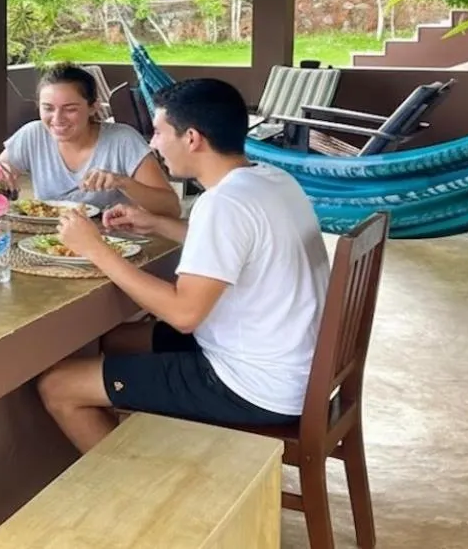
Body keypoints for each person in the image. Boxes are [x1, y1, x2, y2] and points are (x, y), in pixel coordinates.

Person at [35, 77, 331, 454]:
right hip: (288, 362)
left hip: (254, 384)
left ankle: (139, 500)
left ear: (191, 138)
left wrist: (95, 249)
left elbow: (184, 314)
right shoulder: (271, 180)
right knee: (114, 341)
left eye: (159, 133)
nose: (154, 144)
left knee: (58, 387)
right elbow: (243, 247)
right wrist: (158, 224)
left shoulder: (222, 204)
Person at [0, 63, 180, 216]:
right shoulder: (32, 135)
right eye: (48, 108)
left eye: (70, 109)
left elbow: (171, 208)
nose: (57, 118)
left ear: (93, 107)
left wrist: (122, 182)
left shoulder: (123, 140)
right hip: (47, 241)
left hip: (113, 241)